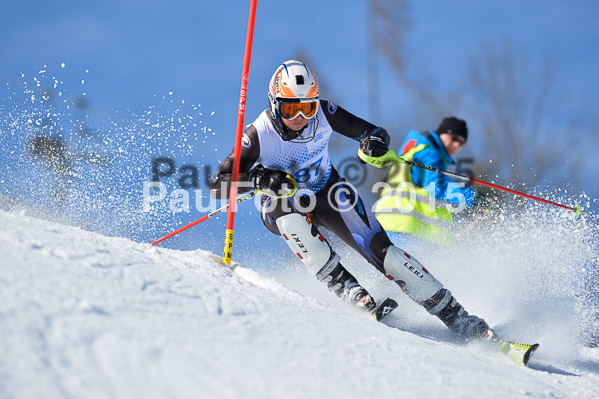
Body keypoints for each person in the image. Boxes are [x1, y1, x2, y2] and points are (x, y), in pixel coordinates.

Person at [210, 60, 495, 341]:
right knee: (290, 218)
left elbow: (372, 132)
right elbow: (218, 186)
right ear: (275, 104)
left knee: (385, 253)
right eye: (290, 108)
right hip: (284, 203)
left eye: (306, 107)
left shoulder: (324, 113)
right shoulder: (258, 133)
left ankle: (457, 317)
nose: (299, 117)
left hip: (329, 193)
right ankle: (346, 287)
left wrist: (373, 142)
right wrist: (259, 179)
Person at [374, 117, 491, 247]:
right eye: (454, 138)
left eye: (461, 143)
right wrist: (474, 198)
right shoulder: (430, 154)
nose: (457, 145)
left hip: (390, 227)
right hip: (407, 232)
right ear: (442, 134)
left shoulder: (415, 151)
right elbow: (437, 189)